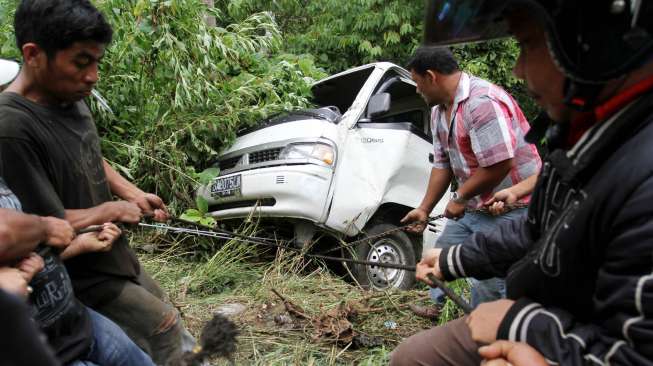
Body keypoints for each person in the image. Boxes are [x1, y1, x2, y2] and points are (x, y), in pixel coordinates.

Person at [390, 0, 653, 364]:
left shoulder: (641, 176)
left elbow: (634, 352)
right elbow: (537, 232)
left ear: (593, 44)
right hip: (548, 308)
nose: (516, 70)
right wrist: (454, 259)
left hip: (565, 332)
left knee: (485, 298)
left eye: (527, 44)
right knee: (413, 356)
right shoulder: (582, 142)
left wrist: (519, 323)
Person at [0, 0, 195, 363]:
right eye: (81, 61)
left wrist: (131, 193)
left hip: (113, 255)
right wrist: (108, 209)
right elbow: (47, 228)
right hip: (81, 274)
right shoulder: (12, 129)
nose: (93, 76)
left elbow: (87, 153)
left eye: (96, 62)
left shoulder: (67, 94)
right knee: (164, 329)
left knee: (165, 312)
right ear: (33, 54)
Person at [401, 46, 541, 308]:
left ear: (432, 77)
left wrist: (461, 196)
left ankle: (483, 328)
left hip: (511, 205)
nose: (417, 91)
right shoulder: (438, 110)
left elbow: (500, 164)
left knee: (488, 277)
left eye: (418, 84)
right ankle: (439, 306)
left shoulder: (482, 102)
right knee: (440, 251)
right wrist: (424, 209)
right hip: (475, 204)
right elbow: (443, 164)